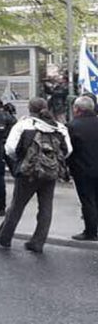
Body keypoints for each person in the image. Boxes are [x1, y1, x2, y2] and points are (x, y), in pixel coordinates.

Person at [0, 98, 72, 253]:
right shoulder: (59, 127)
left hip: (28, 172)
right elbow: (68, 151)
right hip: (51, 173)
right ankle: (38, 242)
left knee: (17, 205)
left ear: (29, 109)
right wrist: (51, 162)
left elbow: (10, 149)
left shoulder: (23, 124)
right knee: (46, 207)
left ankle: (4, 237)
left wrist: (21, 161)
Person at [67, 96, 98, 241]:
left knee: (87, 201)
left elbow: (68, 150)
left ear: (78, 109)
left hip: (83, 169)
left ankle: (91, 232)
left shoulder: (73, 126)